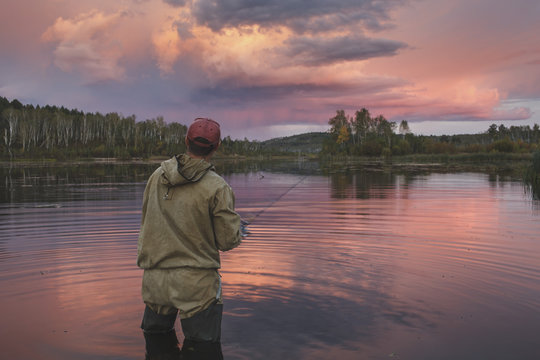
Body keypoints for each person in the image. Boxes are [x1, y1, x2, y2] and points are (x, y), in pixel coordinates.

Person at [137, 117, 243, 359]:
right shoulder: (217, 187)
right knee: (204, 349)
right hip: (197, 286)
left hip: (155, 280)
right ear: (216, 147)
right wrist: (238, 229)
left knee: (156, 344)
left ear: (186, 141)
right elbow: (227, 241)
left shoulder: (156, 176)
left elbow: (146, 219)